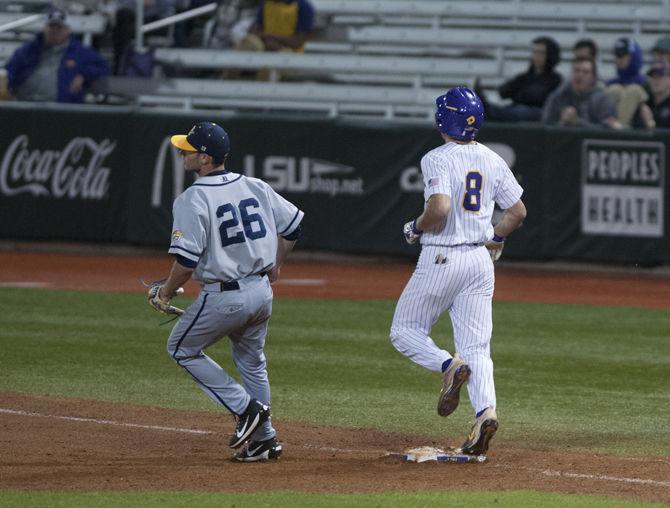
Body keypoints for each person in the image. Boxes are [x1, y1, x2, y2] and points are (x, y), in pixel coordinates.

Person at [148, 121, 304, 462]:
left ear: (204, 158)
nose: (182, 152)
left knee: (181, 349)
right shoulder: (254, 185)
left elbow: (187, 262)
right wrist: (276, 264)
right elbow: (293, 225)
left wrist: (165, 293)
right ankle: (264, 440)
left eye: (188, 149)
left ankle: (244, 408)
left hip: (225, 296)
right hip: (261, 292)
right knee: (252, 362)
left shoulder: (193, 198)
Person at [389, 87, 527, 456]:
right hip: (480, 261)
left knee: (404, 331)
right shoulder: (492, 158)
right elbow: (517, 212)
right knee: (478, 347)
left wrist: (415, 228)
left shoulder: (437, 158)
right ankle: (485, 414)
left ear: (441, 119)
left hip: (442, 257)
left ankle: (448, 366)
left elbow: (440, 209)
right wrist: (496, 237)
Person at [4, 7, 109, 102]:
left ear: (68, 30)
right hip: (24, 104)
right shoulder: (29, 49)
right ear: (45, 28)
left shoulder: (80, 52)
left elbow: (103, 66)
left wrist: (84, 75)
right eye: (51, 26)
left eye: (59, 27)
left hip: (61, 109)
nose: (54, 31)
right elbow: (10, 69)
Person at [479, 36, 562, 122]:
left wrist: (519, 95)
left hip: (538, 113)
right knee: (510, 110)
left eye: (541, 53)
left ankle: (488, 110)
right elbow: (504, 91)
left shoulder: (555, 79)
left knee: (520, 111)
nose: (537, 56)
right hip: (517, 109)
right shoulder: (524, 77)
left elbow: (538, 98)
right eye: (535, 52)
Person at [542, 57, 621, 128]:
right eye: (576, 71)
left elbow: (607, 132)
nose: (579, 75)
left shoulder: (603, 100)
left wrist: (576, 122)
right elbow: (545, 125)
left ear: (593, 78)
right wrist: (562, 123)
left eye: (585, 72)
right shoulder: (558, 96)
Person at [238, 0, 316, 53]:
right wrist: (263, 37)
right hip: (265, 46)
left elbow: (297, 42)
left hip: (290, 53)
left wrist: (270, 37)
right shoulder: (265, 3)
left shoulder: (303, 7)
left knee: (274, 50)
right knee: (248, 44)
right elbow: (257, 30)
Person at [605, 38, 649, 128]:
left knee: (633, 90)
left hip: (638, 128)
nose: (619, 59)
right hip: (609, 126)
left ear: (634, 56)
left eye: (623, 55)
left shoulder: (646, 83)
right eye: (617, 55)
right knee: (614, 90)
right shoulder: (610, 83)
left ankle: (620, 128)